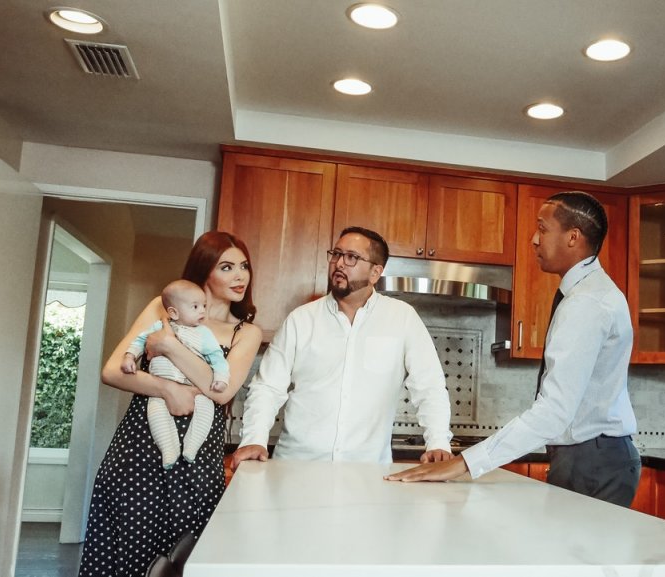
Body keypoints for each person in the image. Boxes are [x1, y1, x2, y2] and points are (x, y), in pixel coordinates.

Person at [385, 191, 641, 508]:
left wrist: (463, 463)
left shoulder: (587, 303)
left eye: (543, 228)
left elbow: (553, 412)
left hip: (593, 462)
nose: (534, 239)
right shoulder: (586, 294)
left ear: (573, 237)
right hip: (591, 457)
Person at [78, 231, 263, 577]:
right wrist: (166, 388)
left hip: (198, 462)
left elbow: (221, 392)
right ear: (204, 270)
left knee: (184, 563)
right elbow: (112, 371)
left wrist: (170, 345)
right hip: (138, 453)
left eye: (244, 266)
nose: (240, 276)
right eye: (226, 267)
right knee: (127, 560)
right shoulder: (162, 307)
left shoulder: (246, 332)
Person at [230, 226, 453, 470]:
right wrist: (253, 439)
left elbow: (429, 386)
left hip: (367, 472)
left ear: (375, 272)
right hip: (296, 466)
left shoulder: (402, 318)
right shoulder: (301, 320)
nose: (339, 263)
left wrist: (438, 442)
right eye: (336, 254)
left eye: (352, 257)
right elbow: (268, 387)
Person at [122, 279, 230, 468]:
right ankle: (168, 450)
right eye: (195, 307)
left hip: (192, 387)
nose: (202, 311)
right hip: (159, 387)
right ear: (173, 312)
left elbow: (217, 357)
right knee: (155, 412)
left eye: (204, 306)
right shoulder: (159, 327)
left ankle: (192, 447)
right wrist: (129, 357)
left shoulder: (204, 334)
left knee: (207, 408)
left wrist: (221, 378)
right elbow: (139, 341)